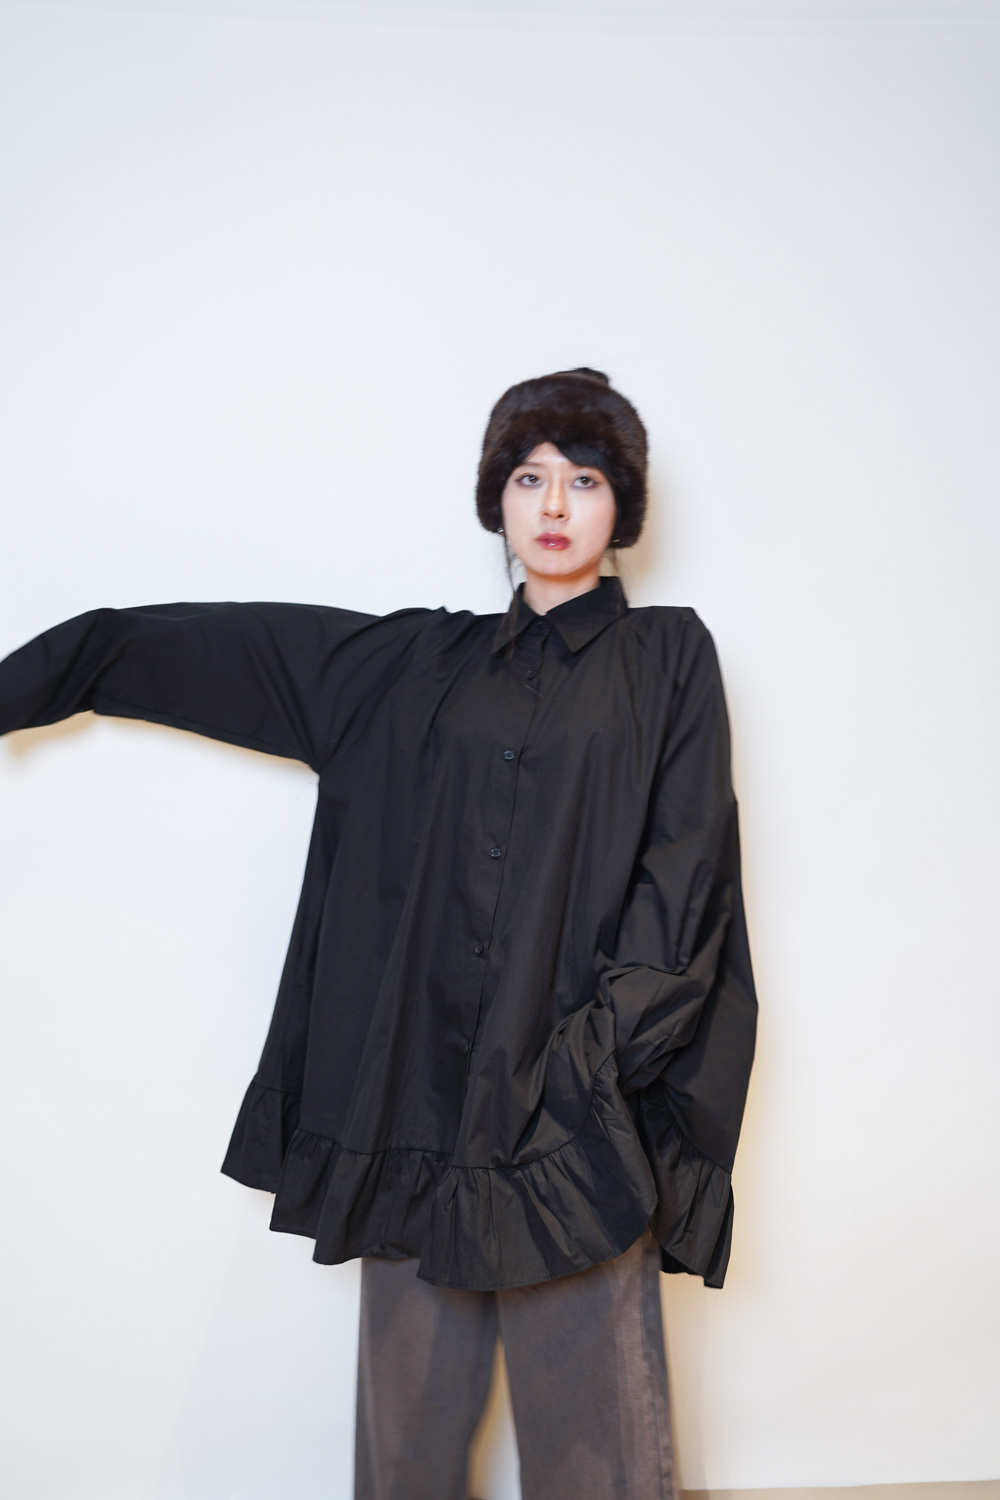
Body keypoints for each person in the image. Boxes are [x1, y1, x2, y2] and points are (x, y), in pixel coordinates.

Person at [0, 367, 758, 1500]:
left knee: (596, 1453)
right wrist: (31, 681)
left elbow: (686, 873)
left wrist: (594, 1062)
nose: (554, 504)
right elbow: (210, 651)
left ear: (623, 508)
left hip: (572, 1118)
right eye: (529, 477)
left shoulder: (666, 660)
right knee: (406, 1450)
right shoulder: (411, 669)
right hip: (418, 1108)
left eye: (586, 480)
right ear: (496, 500)